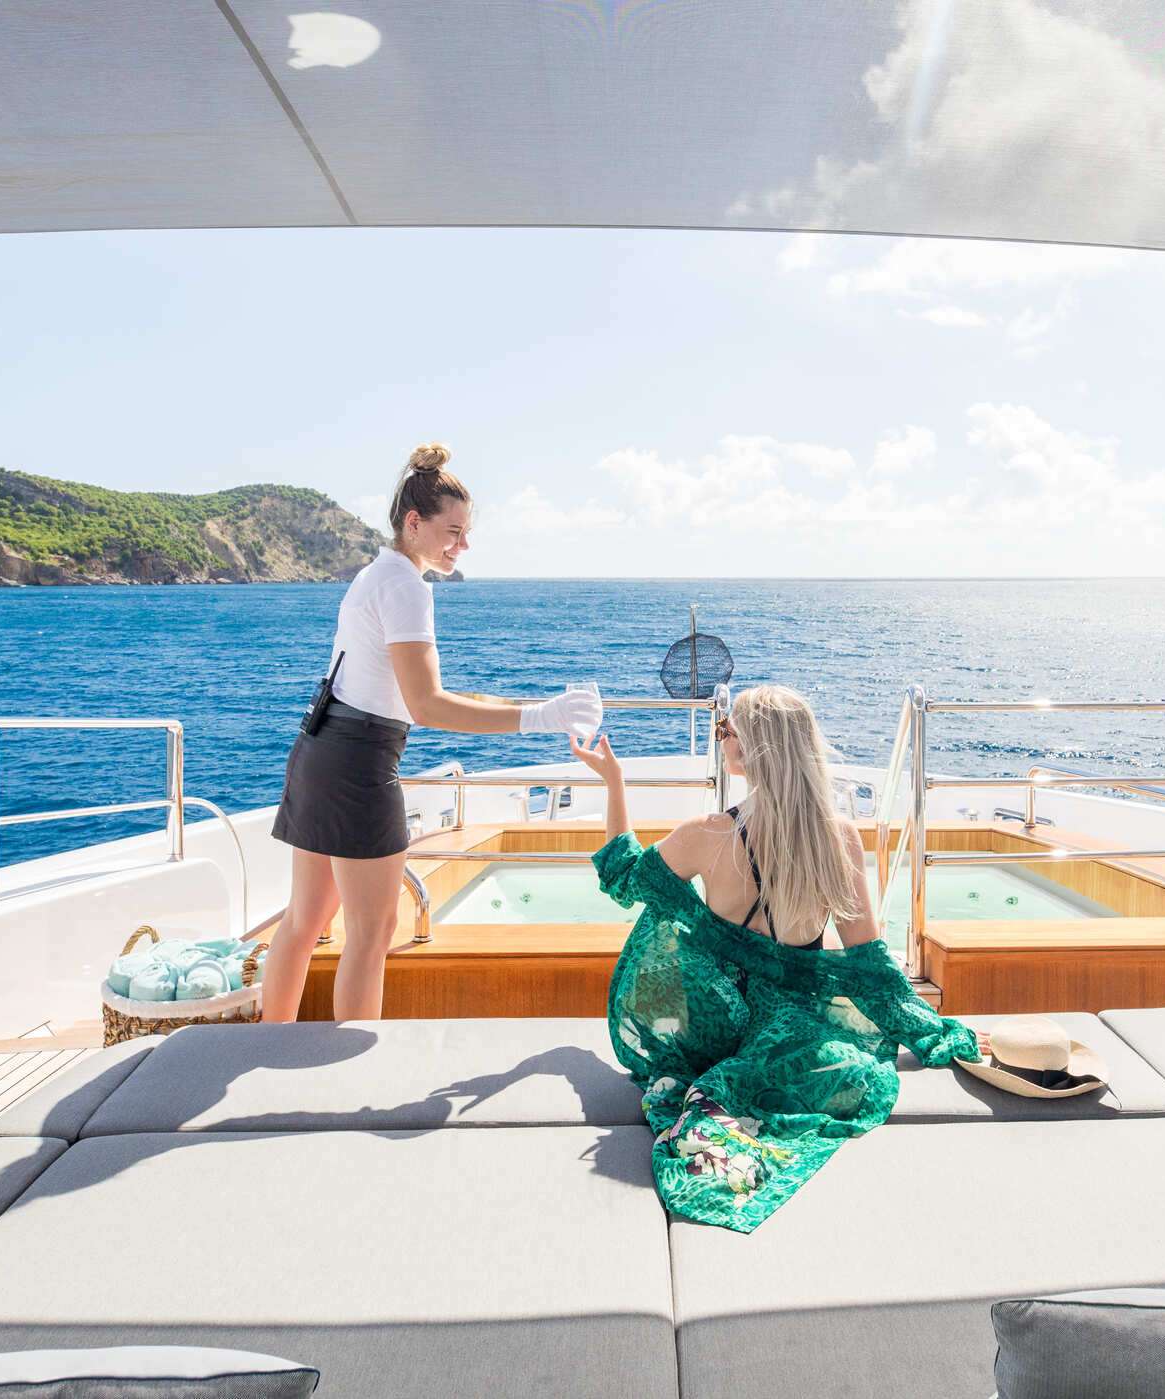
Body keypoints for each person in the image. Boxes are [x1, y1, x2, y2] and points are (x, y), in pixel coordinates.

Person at [569, 685, 978, 1233]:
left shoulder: (707, 836)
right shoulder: (839, 840)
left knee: (666, 914)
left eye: (726, 730)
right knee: (831, 1062)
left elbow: (622, 878)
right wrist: (931, 1031)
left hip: (709, 1032)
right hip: (790, 1028)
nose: (721, 738)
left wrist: (614, 781)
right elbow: (870, 968)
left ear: (749, 748)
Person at [257, 443, 600, 1022]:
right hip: (359, 763)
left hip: (320, 749)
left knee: (304, 921)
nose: (461, 546)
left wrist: (541, 706)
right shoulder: (407, 587)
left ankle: (267, 1043)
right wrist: (540, 719)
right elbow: (427, 705)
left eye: (466, 534)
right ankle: (352, 1064)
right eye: (453, 532)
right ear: (414, 523)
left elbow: (416, 690)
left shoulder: (377, 574)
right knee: (373, 931)